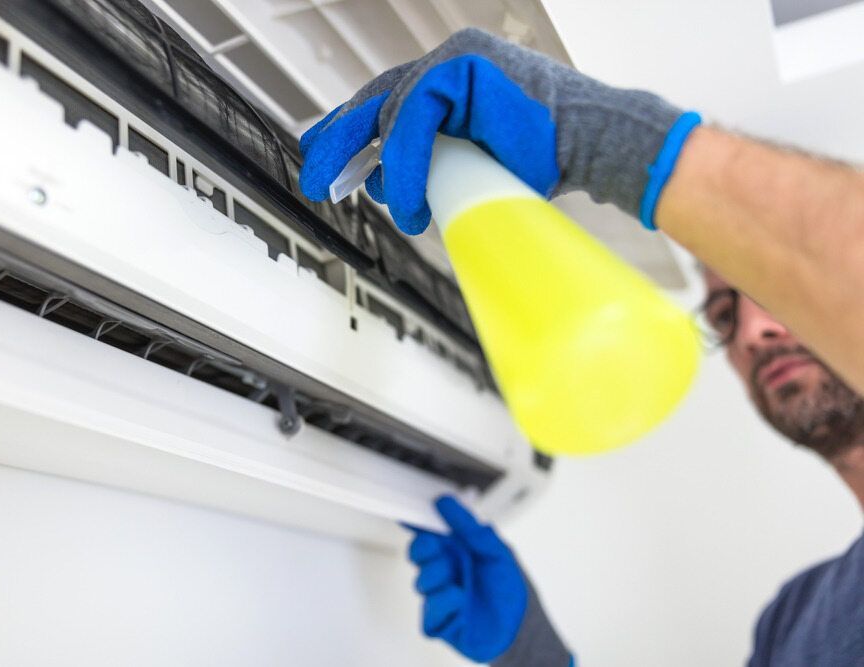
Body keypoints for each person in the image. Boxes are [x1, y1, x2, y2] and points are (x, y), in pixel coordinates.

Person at [298, 28, 864, 666]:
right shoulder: (793, 622)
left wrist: (614, 141)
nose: (757, 329)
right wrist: (535, 656)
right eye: (727, 310)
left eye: (777, 287)